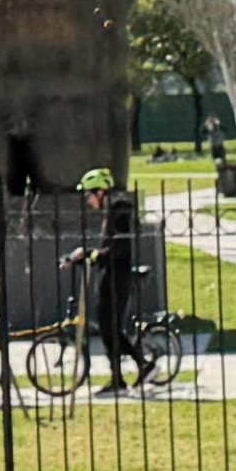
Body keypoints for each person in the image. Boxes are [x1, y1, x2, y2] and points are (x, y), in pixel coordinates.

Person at [67, 168, 150, 394]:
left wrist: (91, 254)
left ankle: (141, 364)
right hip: (109, 276)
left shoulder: (118, 214)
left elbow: (117, 249)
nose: (88, 200)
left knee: (110, 328)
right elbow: (107, 249)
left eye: (89, 195)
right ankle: (119, 377)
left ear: (101, 192)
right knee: (108, 329)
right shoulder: (111, 213)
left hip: (117, 277)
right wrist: (87, 256)